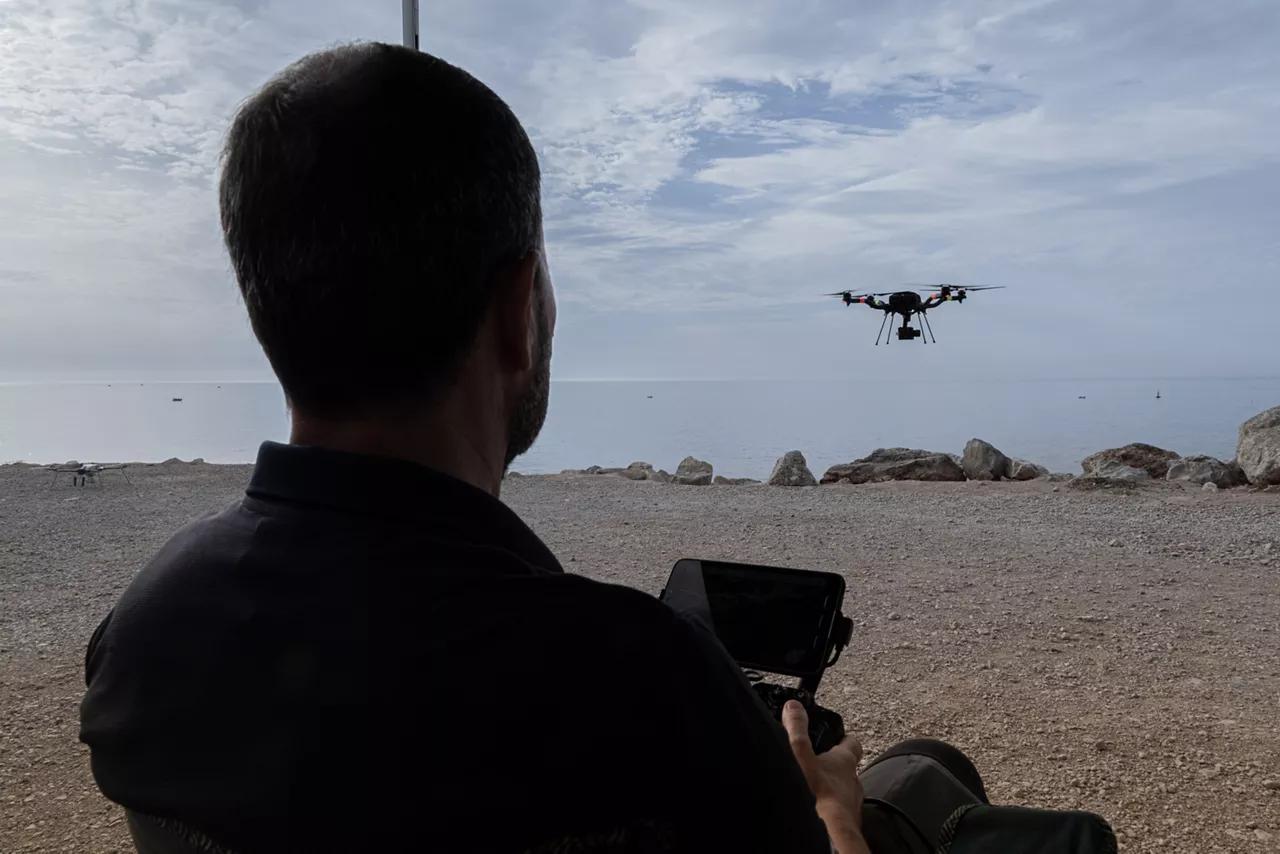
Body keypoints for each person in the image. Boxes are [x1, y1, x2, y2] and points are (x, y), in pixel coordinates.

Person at [79, 43, 998, 854]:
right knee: (924, 768)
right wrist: (832, 812)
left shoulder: (143, 630)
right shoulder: (640, 683)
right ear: (519, 311)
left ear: (266, 307)